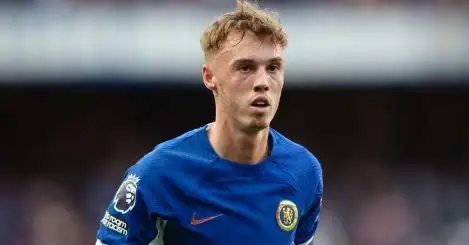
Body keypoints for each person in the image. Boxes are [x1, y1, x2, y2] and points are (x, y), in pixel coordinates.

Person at [96, 1, 323, 244]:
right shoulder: (160, 173)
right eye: (245, 68)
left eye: (273, 68)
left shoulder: (304, 171)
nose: (263, 82)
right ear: (209, 77)